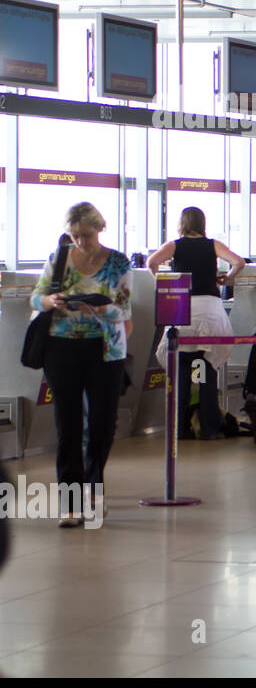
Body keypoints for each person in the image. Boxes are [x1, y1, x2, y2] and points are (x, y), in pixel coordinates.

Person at [30, 202, 132, 526]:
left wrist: (101, 310)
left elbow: (124, 310)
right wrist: (50, 301)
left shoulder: (117, 263)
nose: (80, 243)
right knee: (68, 425)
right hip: (61, 348)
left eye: (85, 235)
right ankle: (71, 504)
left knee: (102, 424)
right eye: (74, 236)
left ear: (99, 229)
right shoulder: (59, 259)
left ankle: (94, 487)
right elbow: (36, 297)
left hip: (106, 349)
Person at [146, 207, 245, 439]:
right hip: (210, 313)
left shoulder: (174, 245)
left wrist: (163, 282)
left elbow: (151, 262)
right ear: (203, 223)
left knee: (181, 373)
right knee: (205, 370)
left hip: (182, 311)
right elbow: (239, 262)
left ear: (182, 223)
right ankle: (209, 427)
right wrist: (226, 278)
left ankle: (179, 428)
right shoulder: (213, 245)